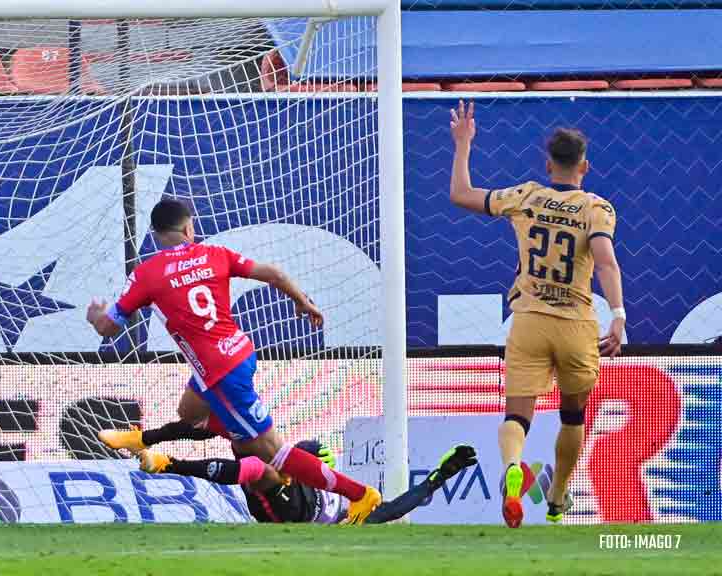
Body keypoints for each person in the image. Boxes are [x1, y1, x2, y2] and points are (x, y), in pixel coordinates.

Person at [87, 198, 382, 524]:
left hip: (220, 373)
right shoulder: (216, 255)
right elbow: (274, 273)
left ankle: (359, 494)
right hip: (236, 353)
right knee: (190, 412)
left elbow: (108, 327)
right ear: (189, 227)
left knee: (274, 452)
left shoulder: (147, 274)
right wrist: (303, 301)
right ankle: (148, 438)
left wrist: (96, 315)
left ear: (157, 235)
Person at [448, 101, 625, 527]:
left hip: (527, 320)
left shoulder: (526, 196)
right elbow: (605, 260)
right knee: (572, 413)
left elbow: (460, 195)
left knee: (517, 414)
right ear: (584, 166)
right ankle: (558, 498)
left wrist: (463, 144)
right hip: (576, 325)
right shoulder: (595, 208)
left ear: (549, 165)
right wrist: (617, 314)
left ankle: (513, 466)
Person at [102, 421, 477, 525]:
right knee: (242, 437)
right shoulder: (339, 486)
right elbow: (300, 455)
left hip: (288, 515)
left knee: (258, 471)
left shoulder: (354, 518)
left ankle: (168, 463)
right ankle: (150, 444)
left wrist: (442, 474)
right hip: (289, 487)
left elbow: (395, 509)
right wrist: (308, 451)